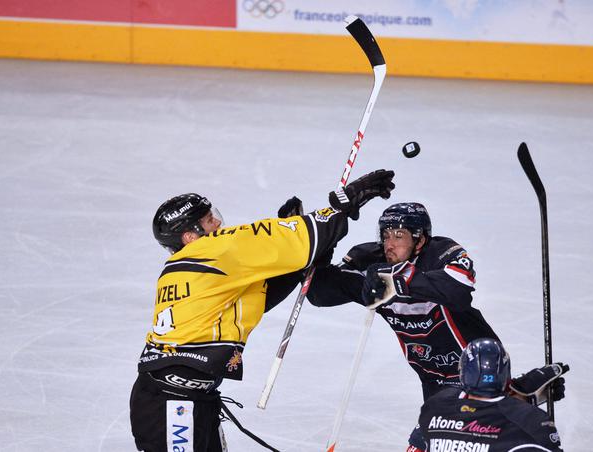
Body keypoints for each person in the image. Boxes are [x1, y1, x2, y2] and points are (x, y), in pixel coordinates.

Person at [129, 169, 395, 452]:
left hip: (178, 399)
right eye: (208, 220)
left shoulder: (179, 270)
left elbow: (259, 296)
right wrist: (345, 201)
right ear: (190, 237)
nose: (218, 222)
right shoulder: (212, 250)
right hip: (175, 406)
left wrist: (299, 267)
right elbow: (309, 237)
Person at [306, 202, 500, 401]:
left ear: (420, 239)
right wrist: (318, 245)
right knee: (432, 431)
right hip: (432, 379)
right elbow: (318, 293)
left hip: (481, 370)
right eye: (386, 235)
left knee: (468, 429)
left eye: (399, 236)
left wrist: (399, 278)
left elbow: (459, 292)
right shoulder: (372, 265)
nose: (389, 244)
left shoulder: (439, 254)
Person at [409, 338, 568, 452]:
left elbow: (415, 448)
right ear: (505, 375)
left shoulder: (436, 407)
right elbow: (499, 417)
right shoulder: (531, 421)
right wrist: (525, 401)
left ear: (462, 372)